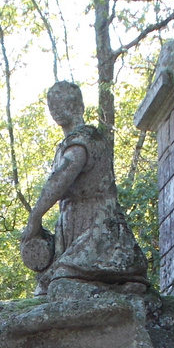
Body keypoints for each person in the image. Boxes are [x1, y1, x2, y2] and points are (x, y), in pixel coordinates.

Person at [19, 81, 150, 298]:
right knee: (45, 288)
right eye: (52, 103)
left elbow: (62, 177)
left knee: (62, 286)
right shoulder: (65, 145)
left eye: (63, 101)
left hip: (98, 232)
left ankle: (118, 302)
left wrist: (35, 217)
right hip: (73, 230)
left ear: (79, 106)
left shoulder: (86, 137)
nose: (57, 108)